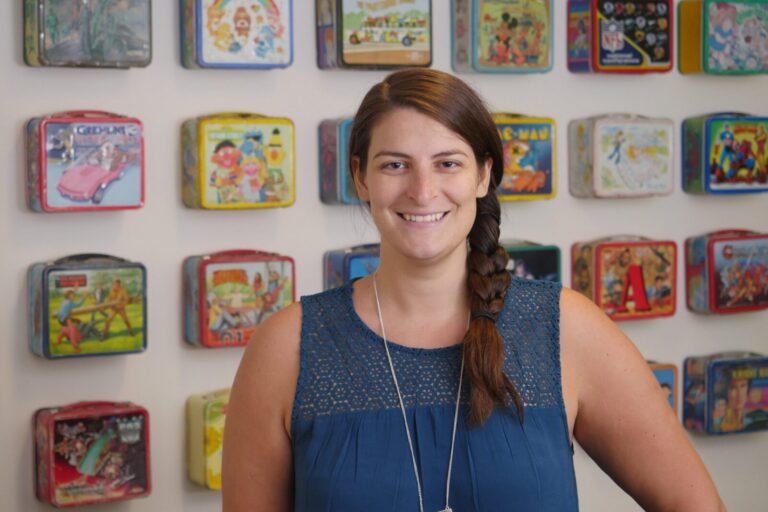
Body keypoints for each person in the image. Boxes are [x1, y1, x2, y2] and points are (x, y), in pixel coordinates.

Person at [222, 69, 724, 511]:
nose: (422, 191)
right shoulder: (287, 347)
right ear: (360, 177)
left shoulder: (566, 330)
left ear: (484, 175)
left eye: (448, 163)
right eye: (395, 164)